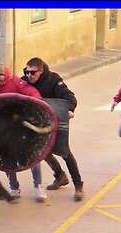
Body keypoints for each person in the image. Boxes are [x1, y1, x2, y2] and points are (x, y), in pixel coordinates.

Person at [21, 57, 84, 201]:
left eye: (32, 72)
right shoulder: (24, 81)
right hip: (38, 123)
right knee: (43, 151)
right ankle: (60, 176)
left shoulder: (53, 80)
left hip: (55, 121)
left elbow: (70, 98)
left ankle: (78, 185)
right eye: (27, 72)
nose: (29, 75)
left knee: (65, 152)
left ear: (41, 70)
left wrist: (67, 110)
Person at [0, 62, 47, 202]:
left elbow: (30, 92)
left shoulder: (15, 82)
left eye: (0, 75)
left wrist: (39, 105)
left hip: (20, 125)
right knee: (8, 157)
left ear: (5, 74)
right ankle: (14, 187)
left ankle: (38, 186)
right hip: (3, 129)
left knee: (32, 155)